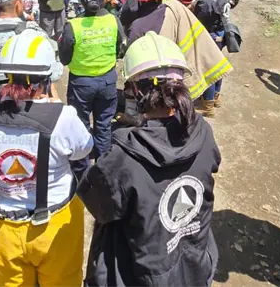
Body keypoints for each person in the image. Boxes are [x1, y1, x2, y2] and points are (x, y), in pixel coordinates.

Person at [78, 32, 220, 286]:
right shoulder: (203, 131)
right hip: (195, 264)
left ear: (133, 90)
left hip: (139, 273)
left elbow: (98, 205)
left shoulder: (122, 155)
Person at [0, 29, 93, 287]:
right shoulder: (63, 119)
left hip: (1, 229)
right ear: (47, 77)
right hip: (55, 225)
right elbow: (84, 149)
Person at [127, 0, 232, 100]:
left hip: (150, 82)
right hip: (175, 77)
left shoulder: (137, 26)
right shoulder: (174, 9)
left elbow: (130, 58)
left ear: (140, 1)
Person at [59, 0, 126, 163]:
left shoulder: (73, 25)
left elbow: (64, 57)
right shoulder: (113, 20)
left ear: (82, 1)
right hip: (107, 81)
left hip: (81, 83)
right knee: (104, 125)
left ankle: (82, 170)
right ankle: (102, 167)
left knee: (80, 126)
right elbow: (121, 47)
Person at [193, 0, 231, 118]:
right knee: (218, 65)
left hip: (209, 36)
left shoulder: (206, 2)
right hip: (221, 34)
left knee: (208, 70)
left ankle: (208, 106)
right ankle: (216, 96)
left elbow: (197, 19)